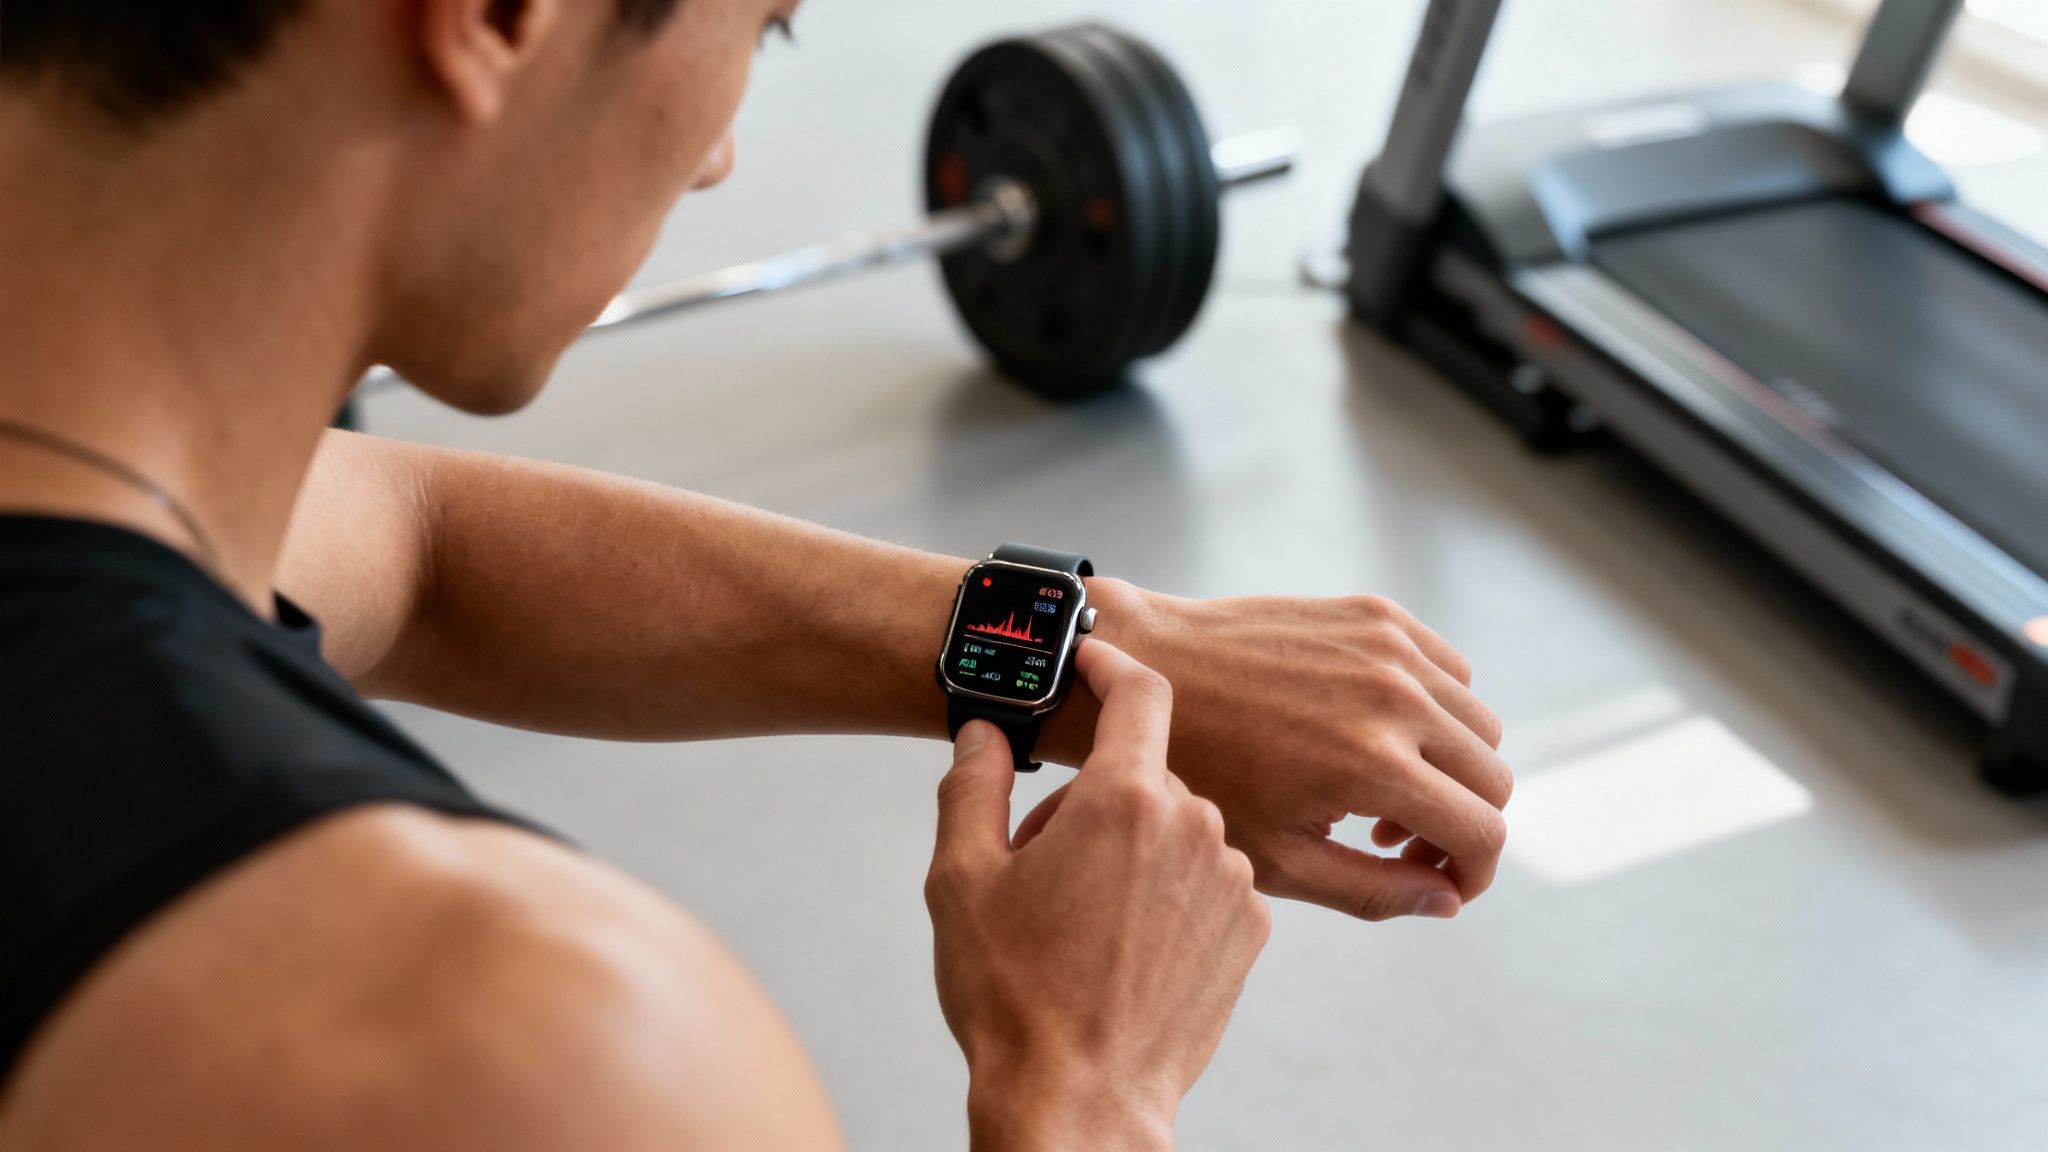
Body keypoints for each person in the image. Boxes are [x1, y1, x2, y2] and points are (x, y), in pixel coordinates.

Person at [0, 0, 1511, 1147]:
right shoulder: (531, 1048)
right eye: (765, 25)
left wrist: (1084, 654)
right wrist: (1080, 1086)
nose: (722, 149)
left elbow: (409, 542)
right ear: (504, 18)